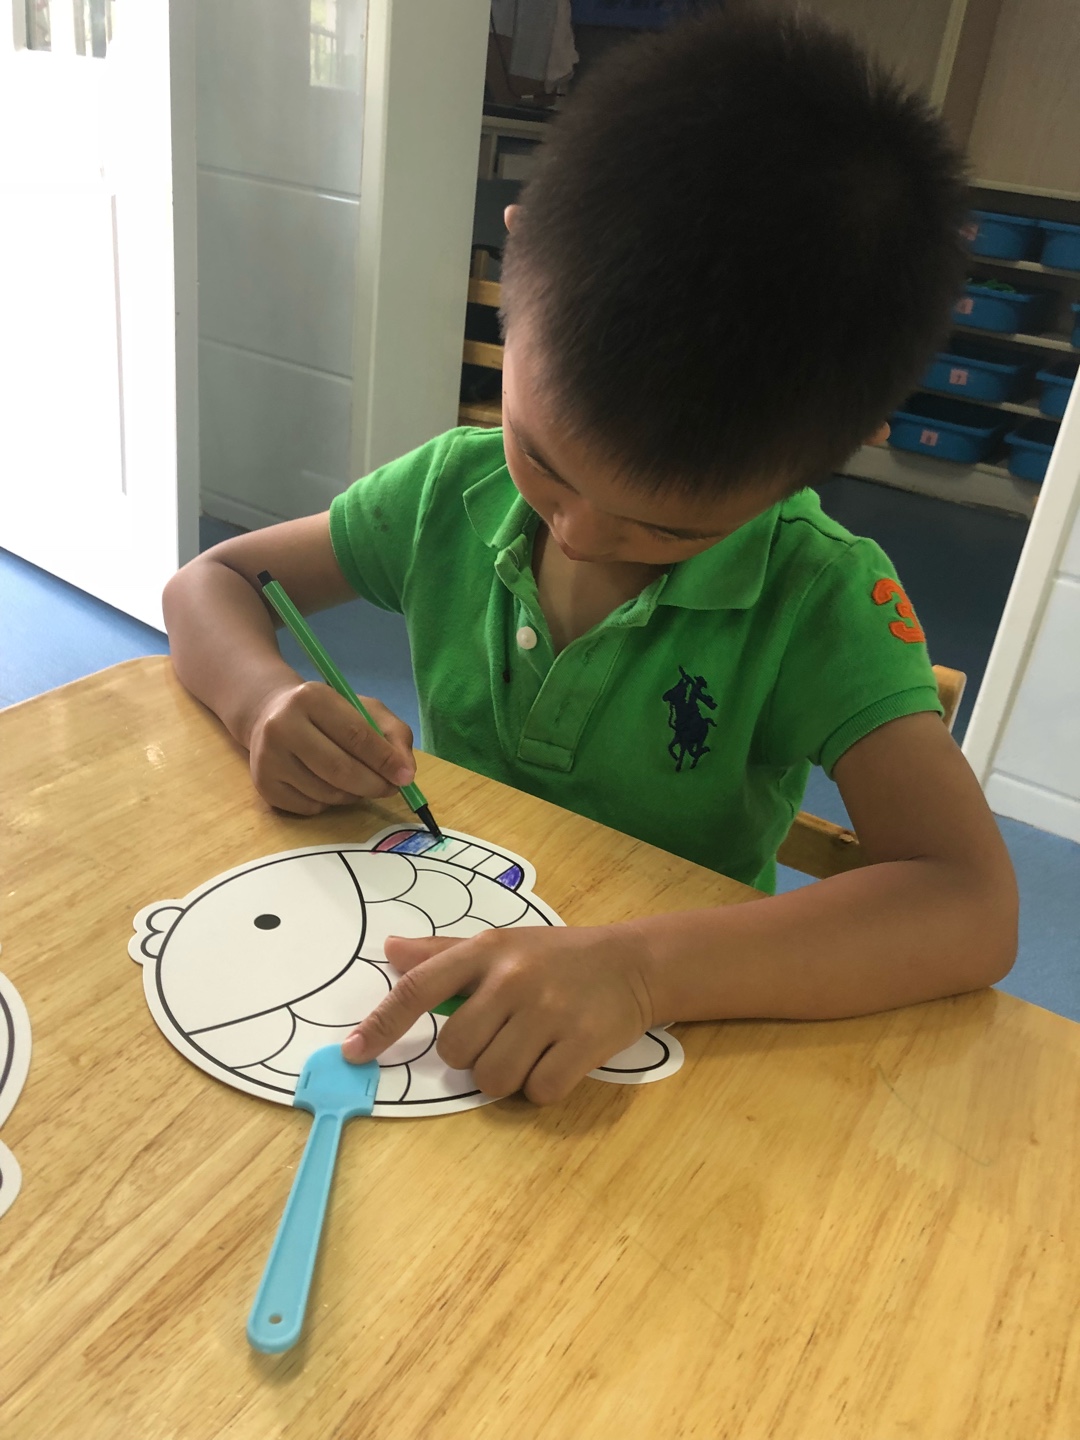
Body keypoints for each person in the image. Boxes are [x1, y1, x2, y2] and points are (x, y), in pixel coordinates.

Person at [163, 8, 1017, 1106]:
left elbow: (970, 905)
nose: (576, 534)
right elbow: (211, 583)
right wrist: (263, 703)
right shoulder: (450, 490)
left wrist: (643, 969)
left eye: (671, 531)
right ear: (516, 264)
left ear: (832, 453)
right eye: (543, 460)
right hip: (445, 978)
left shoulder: (820, 599)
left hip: (663, 1054)